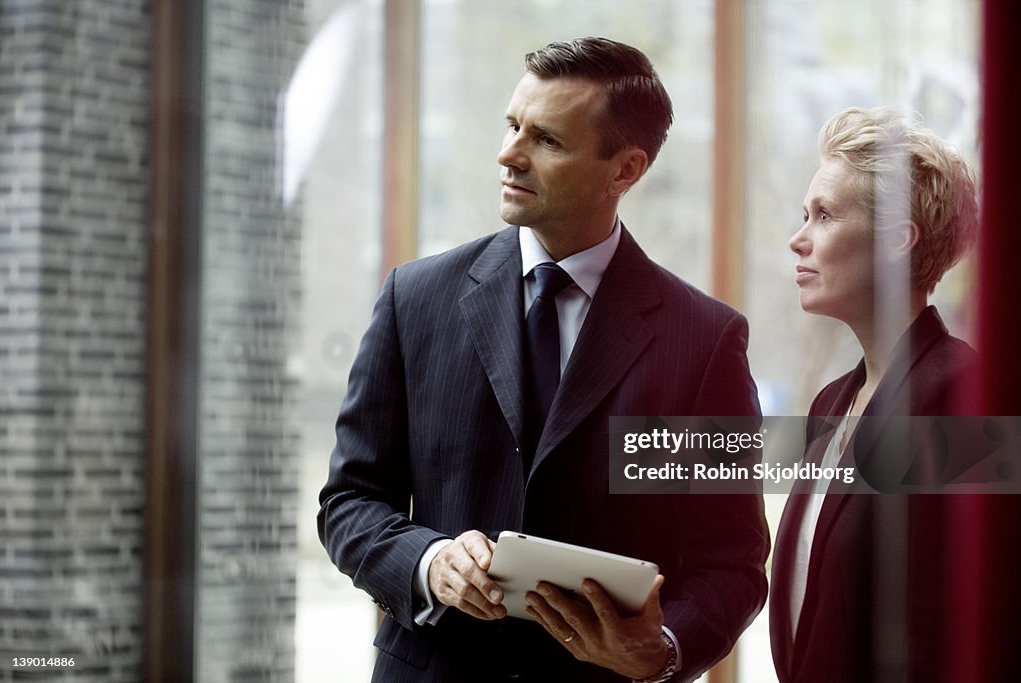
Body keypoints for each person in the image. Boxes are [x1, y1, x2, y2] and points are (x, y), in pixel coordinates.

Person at [318, 37, 768, 682]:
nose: (509, 154)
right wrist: (428, 561)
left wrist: (662, 647)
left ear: (626, 169)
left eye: (547, 140)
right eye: (512, 126)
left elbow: (731, 561)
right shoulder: (413, 299)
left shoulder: (703, 341)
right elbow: (350, 501)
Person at [770, 106, 980, 682]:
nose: (798, 239)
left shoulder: (962, 396)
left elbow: (957, 625)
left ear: (897, 241)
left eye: (824, 215)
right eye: (804, 215)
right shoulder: (832, 403)